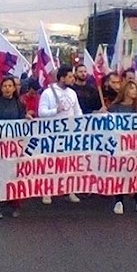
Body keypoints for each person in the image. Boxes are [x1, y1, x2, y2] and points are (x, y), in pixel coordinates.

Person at [38, 64, 83, 204]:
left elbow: (77, 111)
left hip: (69, 135)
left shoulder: (72, 93)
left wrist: (82, 125)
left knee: (69, 163)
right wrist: (55, 111)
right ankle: (47, 191)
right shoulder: (48, 93)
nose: (72, 79)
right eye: (70, 76)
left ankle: (70, 190)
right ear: (62, 78)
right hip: (52, 135)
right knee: (50, 163)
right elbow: (41, 112)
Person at [0, 75, 27, 218]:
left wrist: (27, 119)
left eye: (10, 86)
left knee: (14, 175)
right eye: (5, 86)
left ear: (14, 88)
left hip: (14, 146)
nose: (7, 89)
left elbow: (22, 123)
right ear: (0, 88)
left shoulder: (19, 104)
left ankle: (15, 204)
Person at [107, 79, 137, 214]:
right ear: (125, 90)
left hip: (136, 146)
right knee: (119, 174)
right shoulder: (115, 108)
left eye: (135, 88)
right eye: (131, 88)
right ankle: (119, 201)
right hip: (119, 146)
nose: (134, 91)